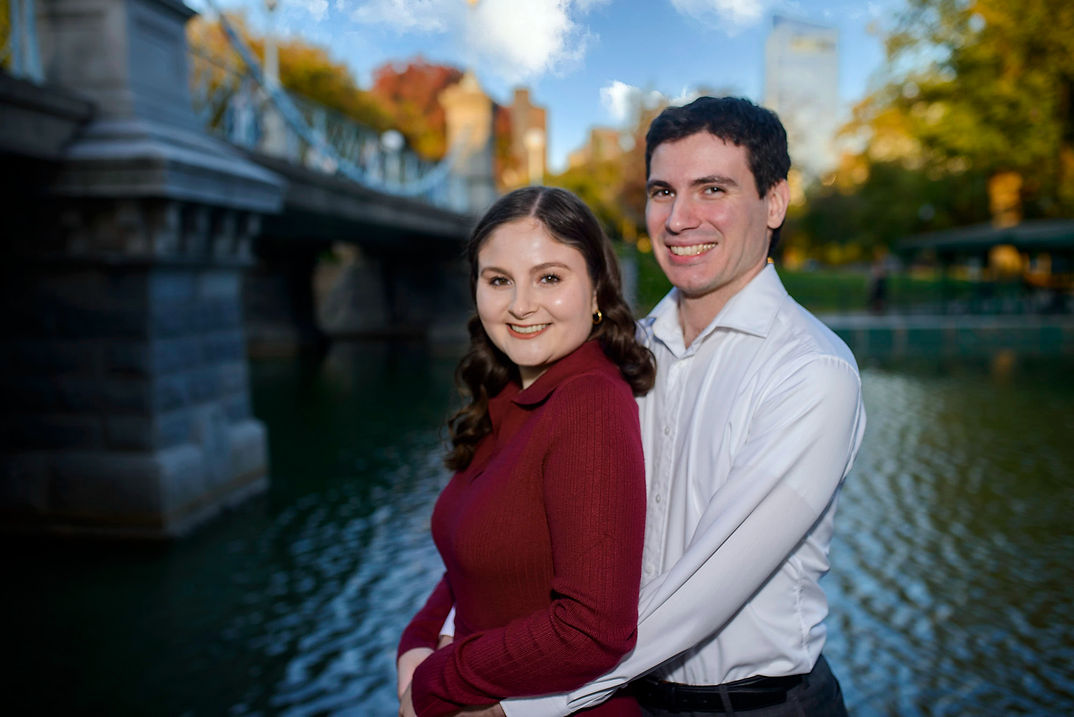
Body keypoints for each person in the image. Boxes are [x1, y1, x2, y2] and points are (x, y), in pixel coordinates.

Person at [498, 97, 867, 716]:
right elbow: (520, 515)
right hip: (627, 702)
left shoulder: (812, 371)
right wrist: (445, 632)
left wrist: (521, 705)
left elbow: (703, 590)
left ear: (774, 202)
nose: (679, 218)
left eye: (713, 189)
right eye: (663, 191)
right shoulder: (619, 353)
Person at [396, 186, 657, 716]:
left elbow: (594, 630)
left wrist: (440, 677)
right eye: (499, 281)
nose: (520, 305)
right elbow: (468, 562)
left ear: (596, 292)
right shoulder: (511, 395)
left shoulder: (588, 403)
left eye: (550, 278)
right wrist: (419, 640)